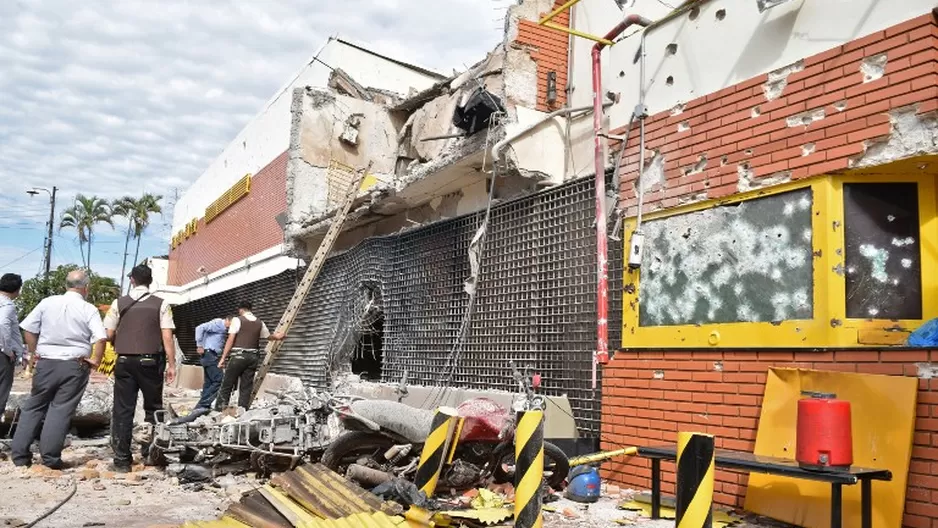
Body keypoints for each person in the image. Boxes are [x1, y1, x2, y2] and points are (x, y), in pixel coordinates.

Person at [11, 270, 106, 468]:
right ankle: (50, 459)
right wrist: (95, 360)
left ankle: (19, 456)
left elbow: (28, 328)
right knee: (60, 410)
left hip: (46, 362)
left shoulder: (47, 303)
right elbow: (100, 337)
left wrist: (33, 352)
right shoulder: (88, 309)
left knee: (34, 406)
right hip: (75, 364)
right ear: (85, 288)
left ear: (66, 285)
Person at [103, 264, 176, 471]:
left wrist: (122, 340)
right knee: (153, 409)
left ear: (132, 280)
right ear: (150, 281)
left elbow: (108, 334)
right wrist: (172, 364)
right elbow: (167, 336)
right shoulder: (161, 304)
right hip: (151, 362)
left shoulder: (119, 303)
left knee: (123, 409)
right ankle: (150, 453)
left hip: (124, 361)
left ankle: (121, 460)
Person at [214, 301, 284, 411]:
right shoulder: (260, 322)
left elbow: (230, 339)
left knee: (227, 384)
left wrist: (223, 358)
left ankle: (219, 410)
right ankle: (242, 411)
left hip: (238, 356)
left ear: (241, 309)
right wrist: (278, 336)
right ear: (250, 309)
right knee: (246, 387)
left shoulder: (237, 320)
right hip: (253, 357)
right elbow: (269, 337)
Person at [193, 315, 232, 410]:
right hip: (209, 354)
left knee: (209, 382)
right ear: (227, 320)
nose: (229, 327)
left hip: (210, 355)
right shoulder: (218, 323)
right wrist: (199, 345)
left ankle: (202, 407)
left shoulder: (222, 327)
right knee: (219, 379)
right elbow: (199, 328)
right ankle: (203, 404)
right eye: (229, 324)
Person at [0, 273, 25, 416]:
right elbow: (2, 324)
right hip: (2, 355)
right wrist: (8, 350)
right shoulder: (7, 305)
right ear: (17, 289)